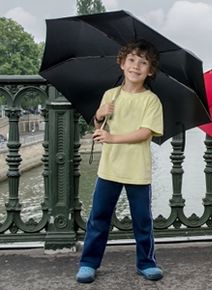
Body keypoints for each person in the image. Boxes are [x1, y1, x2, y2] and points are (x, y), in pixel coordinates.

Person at [75, 39, 164, 283]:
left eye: (143, 62)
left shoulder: (151, 100)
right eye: (132, 60)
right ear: (122, 63)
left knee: (142, 221)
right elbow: (100, 127)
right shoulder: (110, 95)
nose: (136, 66)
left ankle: (146, 262)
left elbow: (145, 133)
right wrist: (99, 115)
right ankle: (89, 263)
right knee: (99, 218)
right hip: (109, 169)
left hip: (137, 170)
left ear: (150, 70)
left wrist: (112, 137)